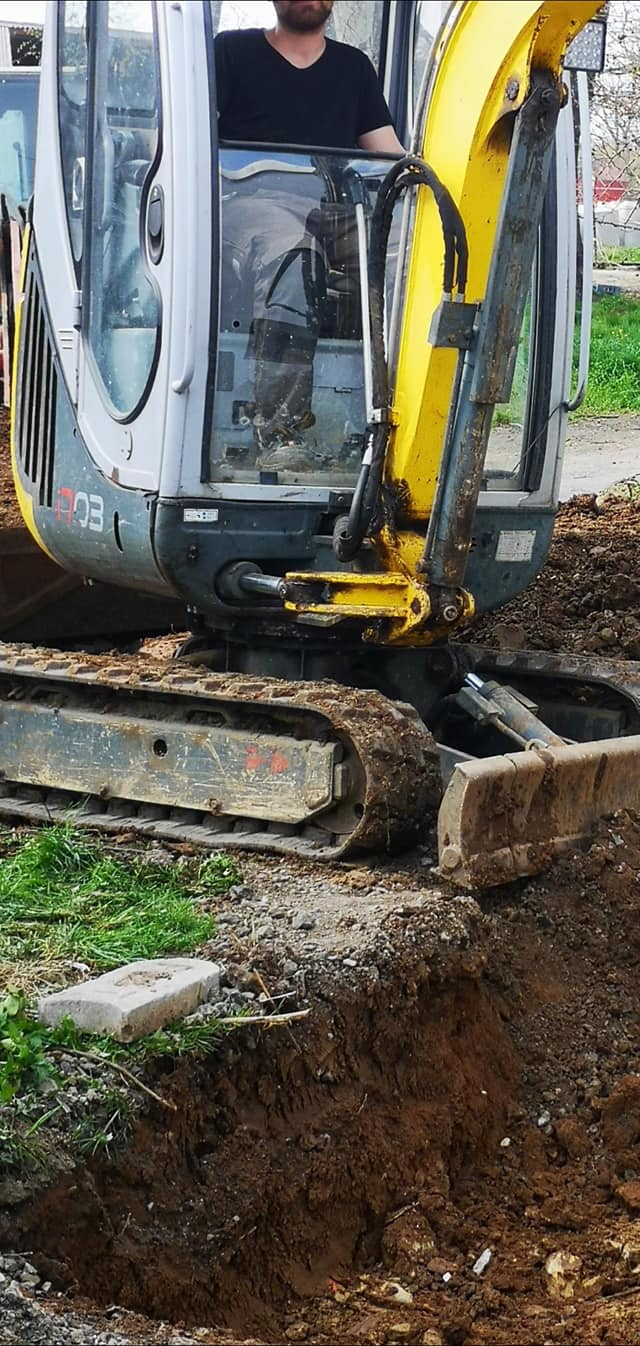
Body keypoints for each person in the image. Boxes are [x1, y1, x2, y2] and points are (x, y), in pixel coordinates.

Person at [214, 0, 404, 468]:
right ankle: (278, 430)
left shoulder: (353, 68)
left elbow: (388, 153)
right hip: (250, 205)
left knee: (415, 252)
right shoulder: (231, 53)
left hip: (330, 209)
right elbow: (188, 138)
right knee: (293, 253)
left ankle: (407, 425)